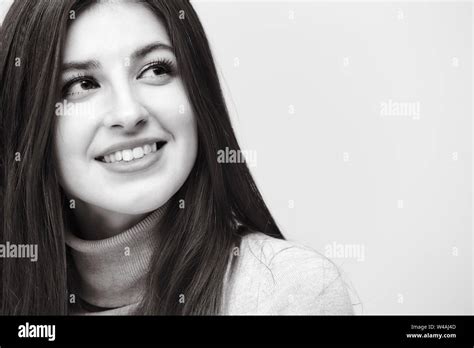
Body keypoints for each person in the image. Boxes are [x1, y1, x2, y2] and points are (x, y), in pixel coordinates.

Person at [0, 0, 355, 315]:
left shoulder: (286, 291)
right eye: (81, 85)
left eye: (155, 70)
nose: (128, 113)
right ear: (25, 117)